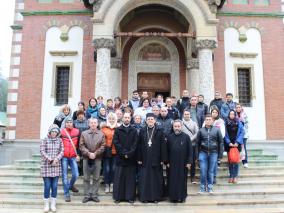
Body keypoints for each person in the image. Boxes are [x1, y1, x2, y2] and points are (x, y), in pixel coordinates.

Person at [137, 113, 168, 203]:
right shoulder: (142, 131)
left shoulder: (160, 130)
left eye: (152, 119)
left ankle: (156, 197)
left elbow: (163, 146)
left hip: (156, 159)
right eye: (148, 119)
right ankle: (145, 197)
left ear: (155, 121)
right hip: (145, 158)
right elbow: (139, 145)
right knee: (145, 178)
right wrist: (139, 158)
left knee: (156, 179)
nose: (150, 121)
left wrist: (163, 159)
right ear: (146, 121)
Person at [112, 112, 138, 204]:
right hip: (120, 158)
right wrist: (124, 153)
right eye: (125, 117)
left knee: (130, 179)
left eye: (128, 117)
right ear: (122, 118)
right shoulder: (118, 130)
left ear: (130, 119)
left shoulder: (134, 130)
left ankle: (130, 197)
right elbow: (116, 142)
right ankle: (118, 197)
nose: (127, 119)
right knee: (119, 178)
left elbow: (135, 144)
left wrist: (129, 153)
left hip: (131, 158)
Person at [79, 117, 105, 203]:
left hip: (97, 159)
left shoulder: (101, 134)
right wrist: (89, 153)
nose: (93, 124)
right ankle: (86, 195)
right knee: (86, 178)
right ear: (89, 124)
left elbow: (103, 146)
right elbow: (81, 146)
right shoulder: (84, 133)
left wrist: (95, 153)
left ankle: (94, 195)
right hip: (86, 158)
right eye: (91, 123)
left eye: (95, 123)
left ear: (97, 124)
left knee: (96, 178)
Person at [167, 120, 193, 203]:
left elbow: (190, 150)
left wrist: (189, 162)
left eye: (178, 126)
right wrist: (166, 162)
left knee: (182, 180)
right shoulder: (169, 137)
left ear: (181, 127)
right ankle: (173, 197)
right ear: (173, 127)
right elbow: (166, 151)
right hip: (172, 163)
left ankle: (182, 197)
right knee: (172, 180)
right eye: (175, 126)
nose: (177, 128)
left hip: (183, 163)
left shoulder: (186, 137)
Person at [196, 114, 223, 193]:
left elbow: (221, 142)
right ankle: (202, 187)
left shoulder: (217, 130)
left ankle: (210, 186)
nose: (208, 121)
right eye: (207, 119)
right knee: (203, 170)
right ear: (205, 121)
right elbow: (197, 143)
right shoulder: (201, 130)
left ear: (213, 121)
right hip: (203, 153)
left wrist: (220, 154)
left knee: (211, 171)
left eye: (210, 119)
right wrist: (197, 155)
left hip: (213, 153)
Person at [40, 124, 64, 213]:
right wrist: (50, 159)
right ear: (49, 132)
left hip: (56, 166)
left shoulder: (60, 140)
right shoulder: (45, 140)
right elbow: (42, 151)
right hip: (46, 166)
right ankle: (46, 205)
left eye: (55, 132)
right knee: (47, 186)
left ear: (57, 133)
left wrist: (56, 159)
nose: (54, 133)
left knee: (54, 186)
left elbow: (62, 151)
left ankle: (53, 204)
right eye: (52, 131)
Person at [60, 117, 80, 202]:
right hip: (64, 156)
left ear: (72, 123)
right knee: (64, 176)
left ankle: (70, 185)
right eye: (67, 122)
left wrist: (78, 154)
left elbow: (79, 144)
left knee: (76, 174)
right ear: (65, 123)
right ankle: (66, 194)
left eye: (70, 122)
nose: (69, 123)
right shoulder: (61, 132)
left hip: (73, 156)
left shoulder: (77, 131)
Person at [225, 110, 244, 184]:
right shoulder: (226, 123)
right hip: (229, 145)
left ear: (235, 115)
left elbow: (242, 132)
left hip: (237, 145)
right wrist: (228, 142)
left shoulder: (239, 122)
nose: (232, 115)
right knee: (230, 161)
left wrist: (237, 142)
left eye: (233, 114)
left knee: (235, 161)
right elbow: (225, 134)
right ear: (229, 115)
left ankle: (235, 176)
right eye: (230, 114)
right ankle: (231, 176)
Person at [101, 112, 119, 194]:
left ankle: (112, 184)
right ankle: (107, 184)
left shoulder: (118, 128)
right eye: (110, 119)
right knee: (107, 169)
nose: (112, 120)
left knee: (114, 169)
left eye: (113, 119)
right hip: (106, 152)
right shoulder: (104, 128)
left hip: (116, 152)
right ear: (108, 119)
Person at [182, 109, 199, 184]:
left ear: (190, 115)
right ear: (183, 114)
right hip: (182, 145)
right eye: (185, 114)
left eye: (188, 114)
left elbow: (197, 133)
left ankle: (192, 176)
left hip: (192, 145)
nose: (186, 115)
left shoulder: (194, 123)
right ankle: (183, 177)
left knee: (192, 162)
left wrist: (191, 139)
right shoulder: (180, 123)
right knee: (183, 161)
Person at [210, 107, 225, 184]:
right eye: (213, 112)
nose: (214, 113)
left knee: (214, 162)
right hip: (207, 145)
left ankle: (214, 177)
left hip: (216, 145)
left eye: (216, 112)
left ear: (218, 113)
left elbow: (222, 134)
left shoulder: (221, 121)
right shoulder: (207, 119)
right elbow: (202, 130)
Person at [73, 110, 89, 176]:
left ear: (83, 115)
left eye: (81, 114)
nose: (80, 115)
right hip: (77, 141)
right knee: (78, 155)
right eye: (79, 114)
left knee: (84, 156)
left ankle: (83, 170)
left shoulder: (87, 122)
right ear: (77, 116)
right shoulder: (74, 122)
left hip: (85, 141)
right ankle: (78, 170)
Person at [235, 103, 249, 168]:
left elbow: (246, 124)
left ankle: (245, 162)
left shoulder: (244, 114)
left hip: (243, 135)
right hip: (236, 135)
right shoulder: (234, 114)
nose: (238, 108)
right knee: (236, 149)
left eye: (239, 107)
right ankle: (236, 161)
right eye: (237, 107)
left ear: (241, 108)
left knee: (244, 148)